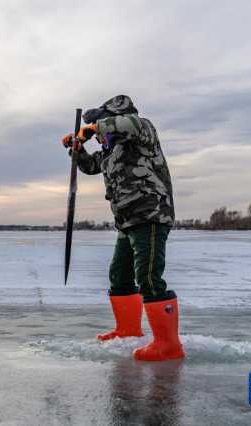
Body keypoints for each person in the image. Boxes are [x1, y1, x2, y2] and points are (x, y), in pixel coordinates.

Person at [61, 95, 184, 361]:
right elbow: (92, 166)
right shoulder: (111, 151)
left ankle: (168, 344)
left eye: (100, 127)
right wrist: (77, 148)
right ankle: (127, 330)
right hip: (126, 220)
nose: (98, 137)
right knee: (120, 275)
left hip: (150, 214)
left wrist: (94, 128)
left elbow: (127, 124)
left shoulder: (142, 129)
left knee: (149, 277)